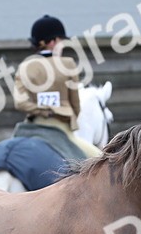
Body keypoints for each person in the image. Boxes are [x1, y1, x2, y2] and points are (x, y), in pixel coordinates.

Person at [13, 15, 101, 159]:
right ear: (53, 42)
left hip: (31, 127)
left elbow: (20, 103)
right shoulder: (68, 64)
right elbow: (76, 105)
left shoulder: (24, 67)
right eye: (61, 41)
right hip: (60, 129)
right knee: (100, 160)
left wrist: (41, 110)